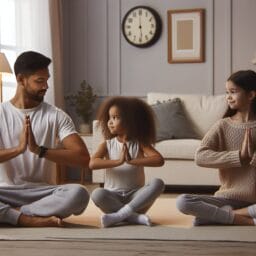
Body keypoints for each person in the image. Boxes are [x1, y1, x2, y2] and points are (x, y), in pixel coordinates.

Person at [0, 51, 90, 227]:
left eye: (47, 80)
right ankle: (28, 218)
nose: (46, 86)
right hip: (5, 191)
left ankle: (16, 213)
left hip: (43, 192)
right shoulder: (1, 113)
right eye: (39, 81)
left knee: (80, 193)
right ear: (20, 80)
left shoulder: (56, 116)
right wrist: (18, 149)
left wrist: (39, 150)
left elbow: (83, 158)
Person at [176, 69, 256, 226]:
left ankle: (224, 216)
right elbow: (200, 156)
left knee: (202, 218)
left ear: (251, 95)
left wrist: (252, 157)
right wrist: (238, 157)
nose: (228, 97)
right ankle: (247, 222)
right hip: (226, 198)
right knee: (182, 202)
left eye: (233, 92)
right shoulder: (223, 125)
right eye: (227, 92)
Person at [89, 96, 165, 227]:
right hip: (113, 198)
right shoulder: (107, 144)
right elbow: (92, 164)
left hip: (136, 198)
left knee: (158, 183)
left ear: (130, 121)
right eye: (109, 118)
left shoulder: (139, 143)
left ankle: (120, 215)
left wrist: (132, 161)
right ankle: (134, 217)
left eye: (115, 118)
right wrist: (118, 161)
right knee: (97, 194)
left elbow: (159, 160)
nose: (110, 122)